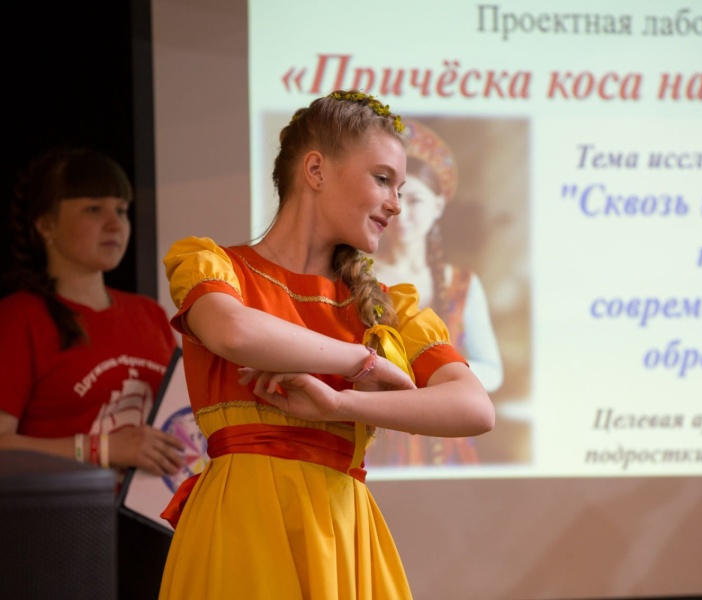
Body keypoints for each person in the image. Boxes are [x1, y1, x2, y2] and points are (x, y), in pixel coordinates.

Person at [157, 90, 494, 599]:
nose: (396, 203)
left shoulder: (387, 307)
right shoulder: (218, 268)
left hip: (342, 536)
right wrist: (361, 360)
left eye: (401, 188)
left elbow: (474, 408)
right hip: (242, 528)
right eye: (382, 179)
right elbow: (234, 332)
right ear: (315, 170)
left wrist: (338, 404)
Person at [0, 147, 185, 600]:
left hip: (155, 535)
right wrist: (103, 448)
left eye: (121, 210)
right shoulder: (19, 317)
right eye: (93, 209)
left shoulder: (149, 314)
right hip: (61, 537)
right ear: (46, 224)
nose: (114, 223)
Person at [369, 119, 503, 466]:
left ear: (438, 206)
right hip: (382, 434)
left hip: (450, 440)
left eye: (416, 200)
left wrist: (440, 378)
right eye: (396, 198)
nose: (403, 213)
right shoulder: (361, 276)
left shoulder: (462, 283)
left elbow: (492, 369)